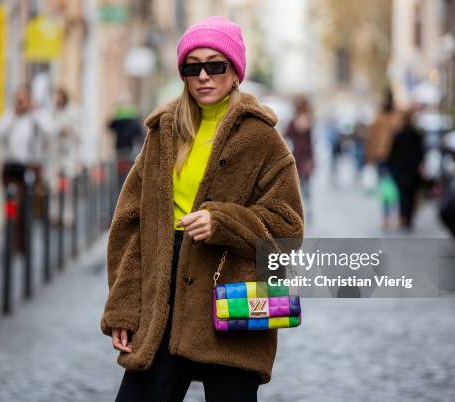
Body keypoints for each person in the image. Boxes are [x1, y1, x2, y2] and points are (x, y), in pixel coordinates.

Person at [100, 16, 304, 401]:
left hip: (232, 302)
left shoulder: (263, 140)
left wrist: (224, 222)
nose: (204, 76)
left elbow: (289, 232)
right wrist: (123, 309)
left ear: (235, 71)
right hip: (162, 299)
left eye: (216, 64)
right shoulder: (163, 133)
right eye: (192, 67)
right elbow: (130, 224)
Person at [0, 85, 55, 254]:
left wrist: (35, 112)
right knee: (13, 205)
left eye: (23, 98)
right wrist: (13, 114)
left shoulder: (38, 116)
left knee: (28, 205)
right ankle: (14, 241)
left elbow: (50, 131)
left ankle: (23, 242)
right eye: (18, 98)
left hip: (31, 166)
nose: (20, 102)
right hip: (11, 167)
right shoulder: (10, 116)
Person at [366, 90, 403, 229]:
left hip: (383, 157)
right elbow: (371, 138)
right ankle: (395, 216)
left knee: (386, 187)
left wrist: (370, 156)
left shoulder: (379, 118)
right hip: (392, 158)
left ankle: (388, 217)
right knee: (392, 187)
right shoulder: (396, 118)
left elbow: (371, 139)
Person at [47, 88, 80, 226]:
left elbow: (78, 132)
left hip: (68, 156)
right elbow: (48, 130)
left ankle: (68, 216)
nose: (56, 99)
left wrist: (68, 130)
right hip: (55, 156)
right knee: (53, 188)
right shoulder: (52, 113)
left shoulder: (73, 112)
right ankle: (53, 215)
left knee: (68, 189)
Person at [386, 110, 425, 230]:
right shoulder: (415, 135)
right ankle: (407, 218)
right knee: (409, 195)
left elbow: (392, 154)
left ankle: (404, 218)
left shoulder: (401, 135)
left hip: (403, 170)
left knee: (404, 195)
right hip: (410, 170)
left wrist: (391, 167)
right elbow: (421, 153)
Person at [285, 95, 314, 220]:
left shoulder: (294, 121)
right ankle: (306, 210)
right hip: (304, 157)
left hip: (297, 156)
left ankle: (302, 210)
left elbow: (286, 136)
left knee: (298, 186)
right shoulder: (310, 120)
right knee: (304, 186)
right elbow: (312, 142)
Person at [109, 103, 144, 191]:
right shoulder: (134, 121)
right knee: (130, 173)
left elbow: (110, 126)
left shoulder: (118, 121)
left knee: (120, 175)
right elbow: (140, 133)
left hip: (119, 150)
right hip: (130, 150)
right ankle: (129, 190)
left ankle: (120, 191)